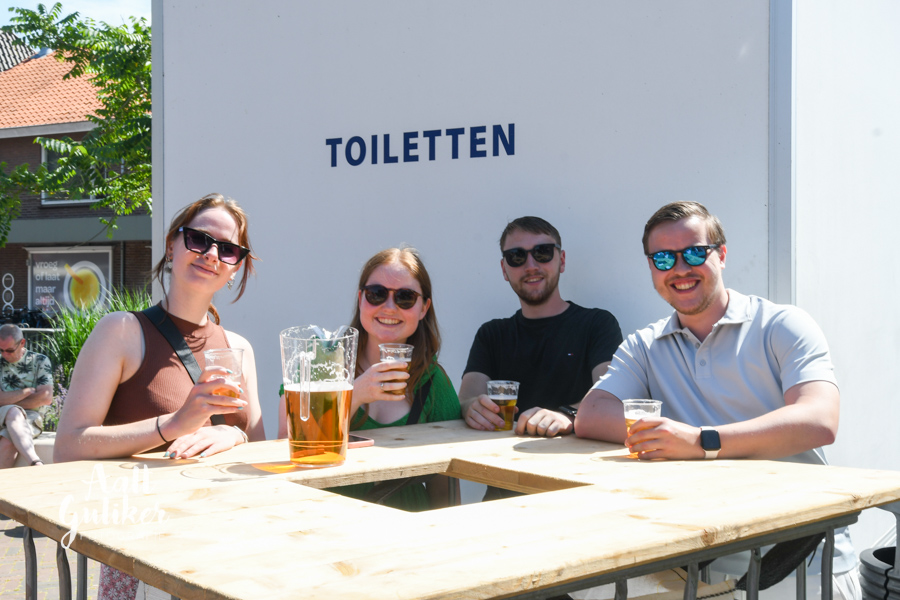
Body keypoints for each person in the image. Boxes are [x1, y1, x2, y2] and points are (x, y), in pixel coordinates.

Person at [574, 201, 859, 600]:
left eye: (694, 253)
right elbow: (591, 414)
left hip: (800, 563)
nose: (679, 268)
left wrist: (700, 441)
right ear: (651, 268)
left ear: (721, 255)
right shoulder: (645, 344)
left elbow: (819, 420)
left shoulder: (781, 324)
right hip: (705, 562)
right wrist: (667, 435)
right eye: (663, 258)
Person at [54, 193, 266, 600]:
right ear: (172, 245)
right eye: (199, 239)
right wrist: (173, 424)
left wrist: (234, 435)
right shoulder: (121, 331)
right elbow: (67, 446)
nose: (211, 255)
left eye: (227, 249)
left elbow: (259, 454)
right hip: (144, 554)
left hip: (226, 550)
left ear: (236, 267)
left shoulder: (238, 348)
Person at [278, 247, 460, 511]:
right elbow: (285, 446)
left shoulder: (432, 381)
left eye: (405, 297)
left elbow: (446, 485)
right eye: (377, 294)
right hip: (327, 517)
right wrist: (353, 395)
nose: (389, 307)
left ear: (424, 308)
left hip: (405, 522)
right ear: (361, 299)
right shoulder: (317, 361)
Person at [460, 216, 622, 437]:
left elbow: (611, 396)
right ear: (504, 269)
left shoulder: (597, 324)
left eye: (542, 252)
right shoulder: (491, 335)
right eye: (516, 257)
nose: (531, 266)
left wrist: (567, 415)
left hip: (573, 456)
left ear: (561, 260)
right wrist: (471, 408)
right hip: (500, 456)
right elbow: (466, 399)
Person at [0, 323, 52, 467]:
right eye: (1, 350)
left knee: (9, 441)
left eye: (9, 350)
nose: (5, 354)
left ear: (22, 343)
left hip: (30, 417)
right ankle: (35, 462)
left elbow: (46, 397)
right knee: (13, 411)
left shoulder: (40, 361)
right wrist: (26, 392)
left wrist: (8, 400)